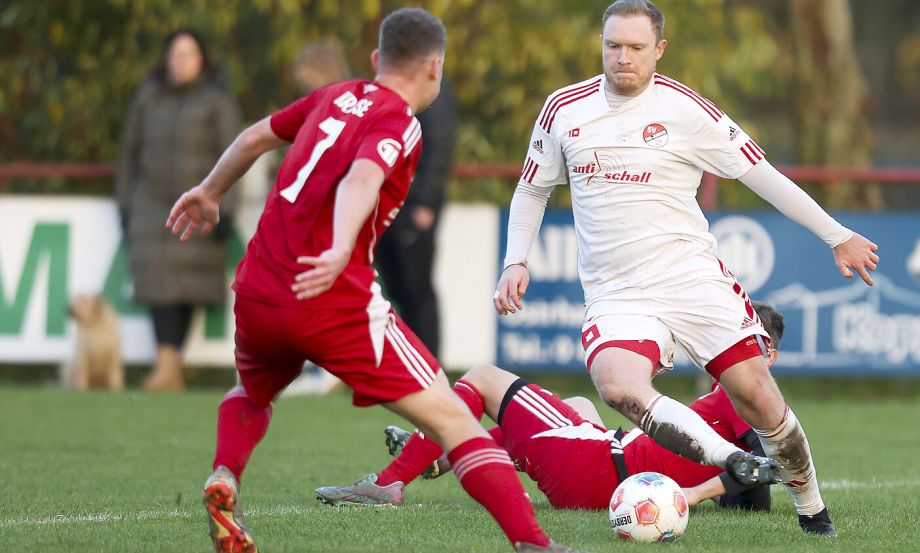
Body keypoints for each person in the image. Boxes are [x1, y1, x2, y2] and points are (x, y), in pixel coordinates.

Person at [165, 8, 584, 553]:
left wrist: (209, 191)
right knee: (456, 421)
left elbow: (252, 138)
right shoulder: (400, 120)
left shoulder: (332, 96)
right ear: (434, 67)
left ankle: (225, 474)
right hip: (332, 297)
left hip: (260, 286)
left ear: (374, 60)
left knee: (252, 391)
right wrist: (341, 246)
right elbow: (363, 177)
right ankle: (535, 545)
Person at [493, 0, 879, 536]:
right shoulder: (564, 109)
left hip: (692, 278)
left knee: (758, 397)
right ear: (601, 44)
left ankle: (812, 509)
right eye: (612, 46)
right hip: (617, 291)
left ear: (659, 50)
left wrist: (837, 236)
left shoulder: (685, 109)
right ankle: (732, 459)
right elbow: (533, 187)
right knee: (616, 384)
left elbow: (761, 176)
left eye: (634, 48)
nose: (621, 58)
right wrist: (516, 260)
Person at [312, 302, 787, 514]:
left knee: (480, 377)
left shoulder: (737, 396)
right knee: (578, 404)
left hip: (594, 466)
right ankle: (441, 455)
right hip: (608, 478)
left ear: (766, 355)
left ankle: (391, 482)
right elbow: (752, 476)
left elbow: (754, 467)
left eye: (747, 342)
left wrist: (696, 496)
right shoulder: (738, 411)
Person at [116, 29, 242, 391]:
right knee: (158, 286)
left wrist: (225, 207)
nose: (180, 61)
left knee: (187, 287)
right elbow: (129, 154)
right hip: (151, 205)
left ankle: (169, 368)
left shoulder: (217, 102)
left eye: (188, 54)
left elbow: (235, 157)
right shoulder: (148, 99)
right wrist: (125, 204)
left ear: (202, 59)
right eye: (175, 54)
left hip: (199, 206)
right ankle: (166, 366)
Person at [375, 82, 458, 356]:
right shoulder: (407, 84)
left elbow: (440, 143)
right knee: (400, 290)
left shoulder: (433, 89)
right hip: (394, 201)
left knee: (417, 289)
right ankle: (414, 364)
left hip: (413, 205)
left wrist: (425, 201)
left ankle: (430, 367)